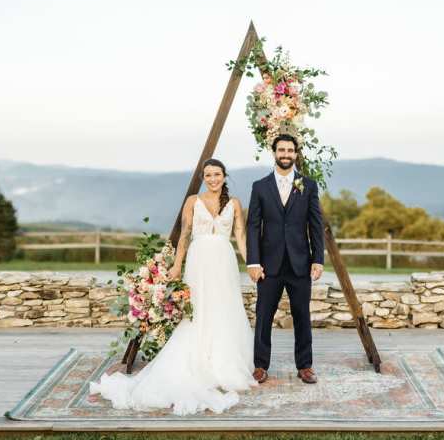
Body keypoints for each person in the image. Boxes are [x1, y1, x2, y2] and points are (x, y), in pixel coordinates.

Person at [89, 158, 256, 415]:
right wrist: (177, 265)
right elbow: (185, 235)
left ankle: (223, 362)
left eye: (217, 174)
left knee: (224, 308)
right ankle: (198, 359)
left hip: (224, 261)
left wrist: (252, 263)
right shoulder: (193, 201)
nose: (213, 179)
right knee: (198, 309)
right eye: (208, 175)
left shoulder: (234, 204)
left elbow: (241, 237)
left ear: (224, 176)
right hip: (198, 261)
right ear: (203, 177)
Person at [246, 134, 325, 385]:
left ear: (296, 153)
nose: (286, 154)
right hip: (268, 265)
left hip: (300, 263)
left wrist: (318, 259)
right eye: (282, 150)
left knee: (302, 316)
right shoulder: (259, 186)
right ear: (274, 152)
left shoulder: (308, 185)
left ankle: (305, 366)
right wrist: (253, 262)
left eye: (290, 150)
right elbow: (252, 226)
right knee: (264, 316)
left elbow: (315, 224)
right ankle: (260, 366)